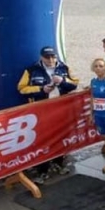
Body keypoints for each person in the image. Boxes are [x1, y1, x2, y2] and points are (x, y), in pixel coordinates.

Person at [17, 46, 79, 181]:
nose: (50, 60)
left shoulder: (64, 68)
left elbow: (75, 83)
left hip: (60, 110)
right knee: (43, 140)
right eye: (47, 57)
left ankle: (58, 163)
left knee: (60, 137)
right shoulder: (31, 70)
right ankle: (42, 169)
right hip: (41, 112)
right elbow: (21, 89)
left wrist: (62, 81)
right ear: (41, 57)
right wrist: (41, 89)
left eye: (53, 56)